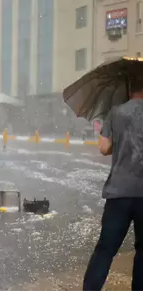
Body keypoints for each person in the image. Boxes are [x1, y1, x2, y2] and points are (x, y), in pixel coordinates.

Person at [83, 80, 143, 291]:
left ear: (129, 89)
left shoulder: (116, 112)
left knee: (106, 249)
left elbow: (104, 148)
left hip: (119, 192)